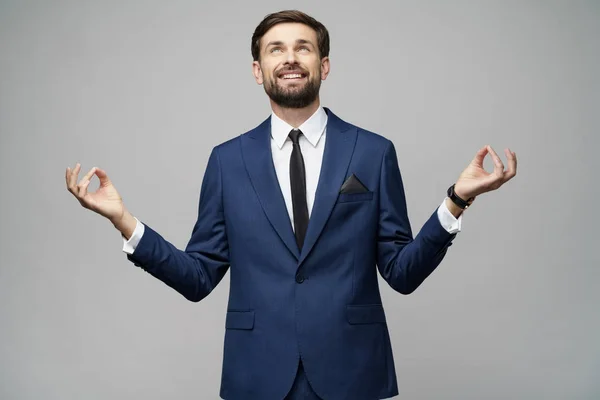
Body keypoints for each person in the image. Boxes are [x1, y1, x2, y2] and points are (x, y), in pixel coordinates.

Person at [65, 10, 517, 400]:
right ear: (258, 70)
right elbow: (199, 276)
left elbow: (402, 272)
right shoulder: (227, 161)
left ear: (323, 65)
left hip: (352, 372)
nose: (290, 58)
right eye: (276, 49)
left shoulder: (373, 152)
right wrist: (123, 221)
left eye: (302, 48)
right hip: (257, 374)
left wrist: (458, 200)